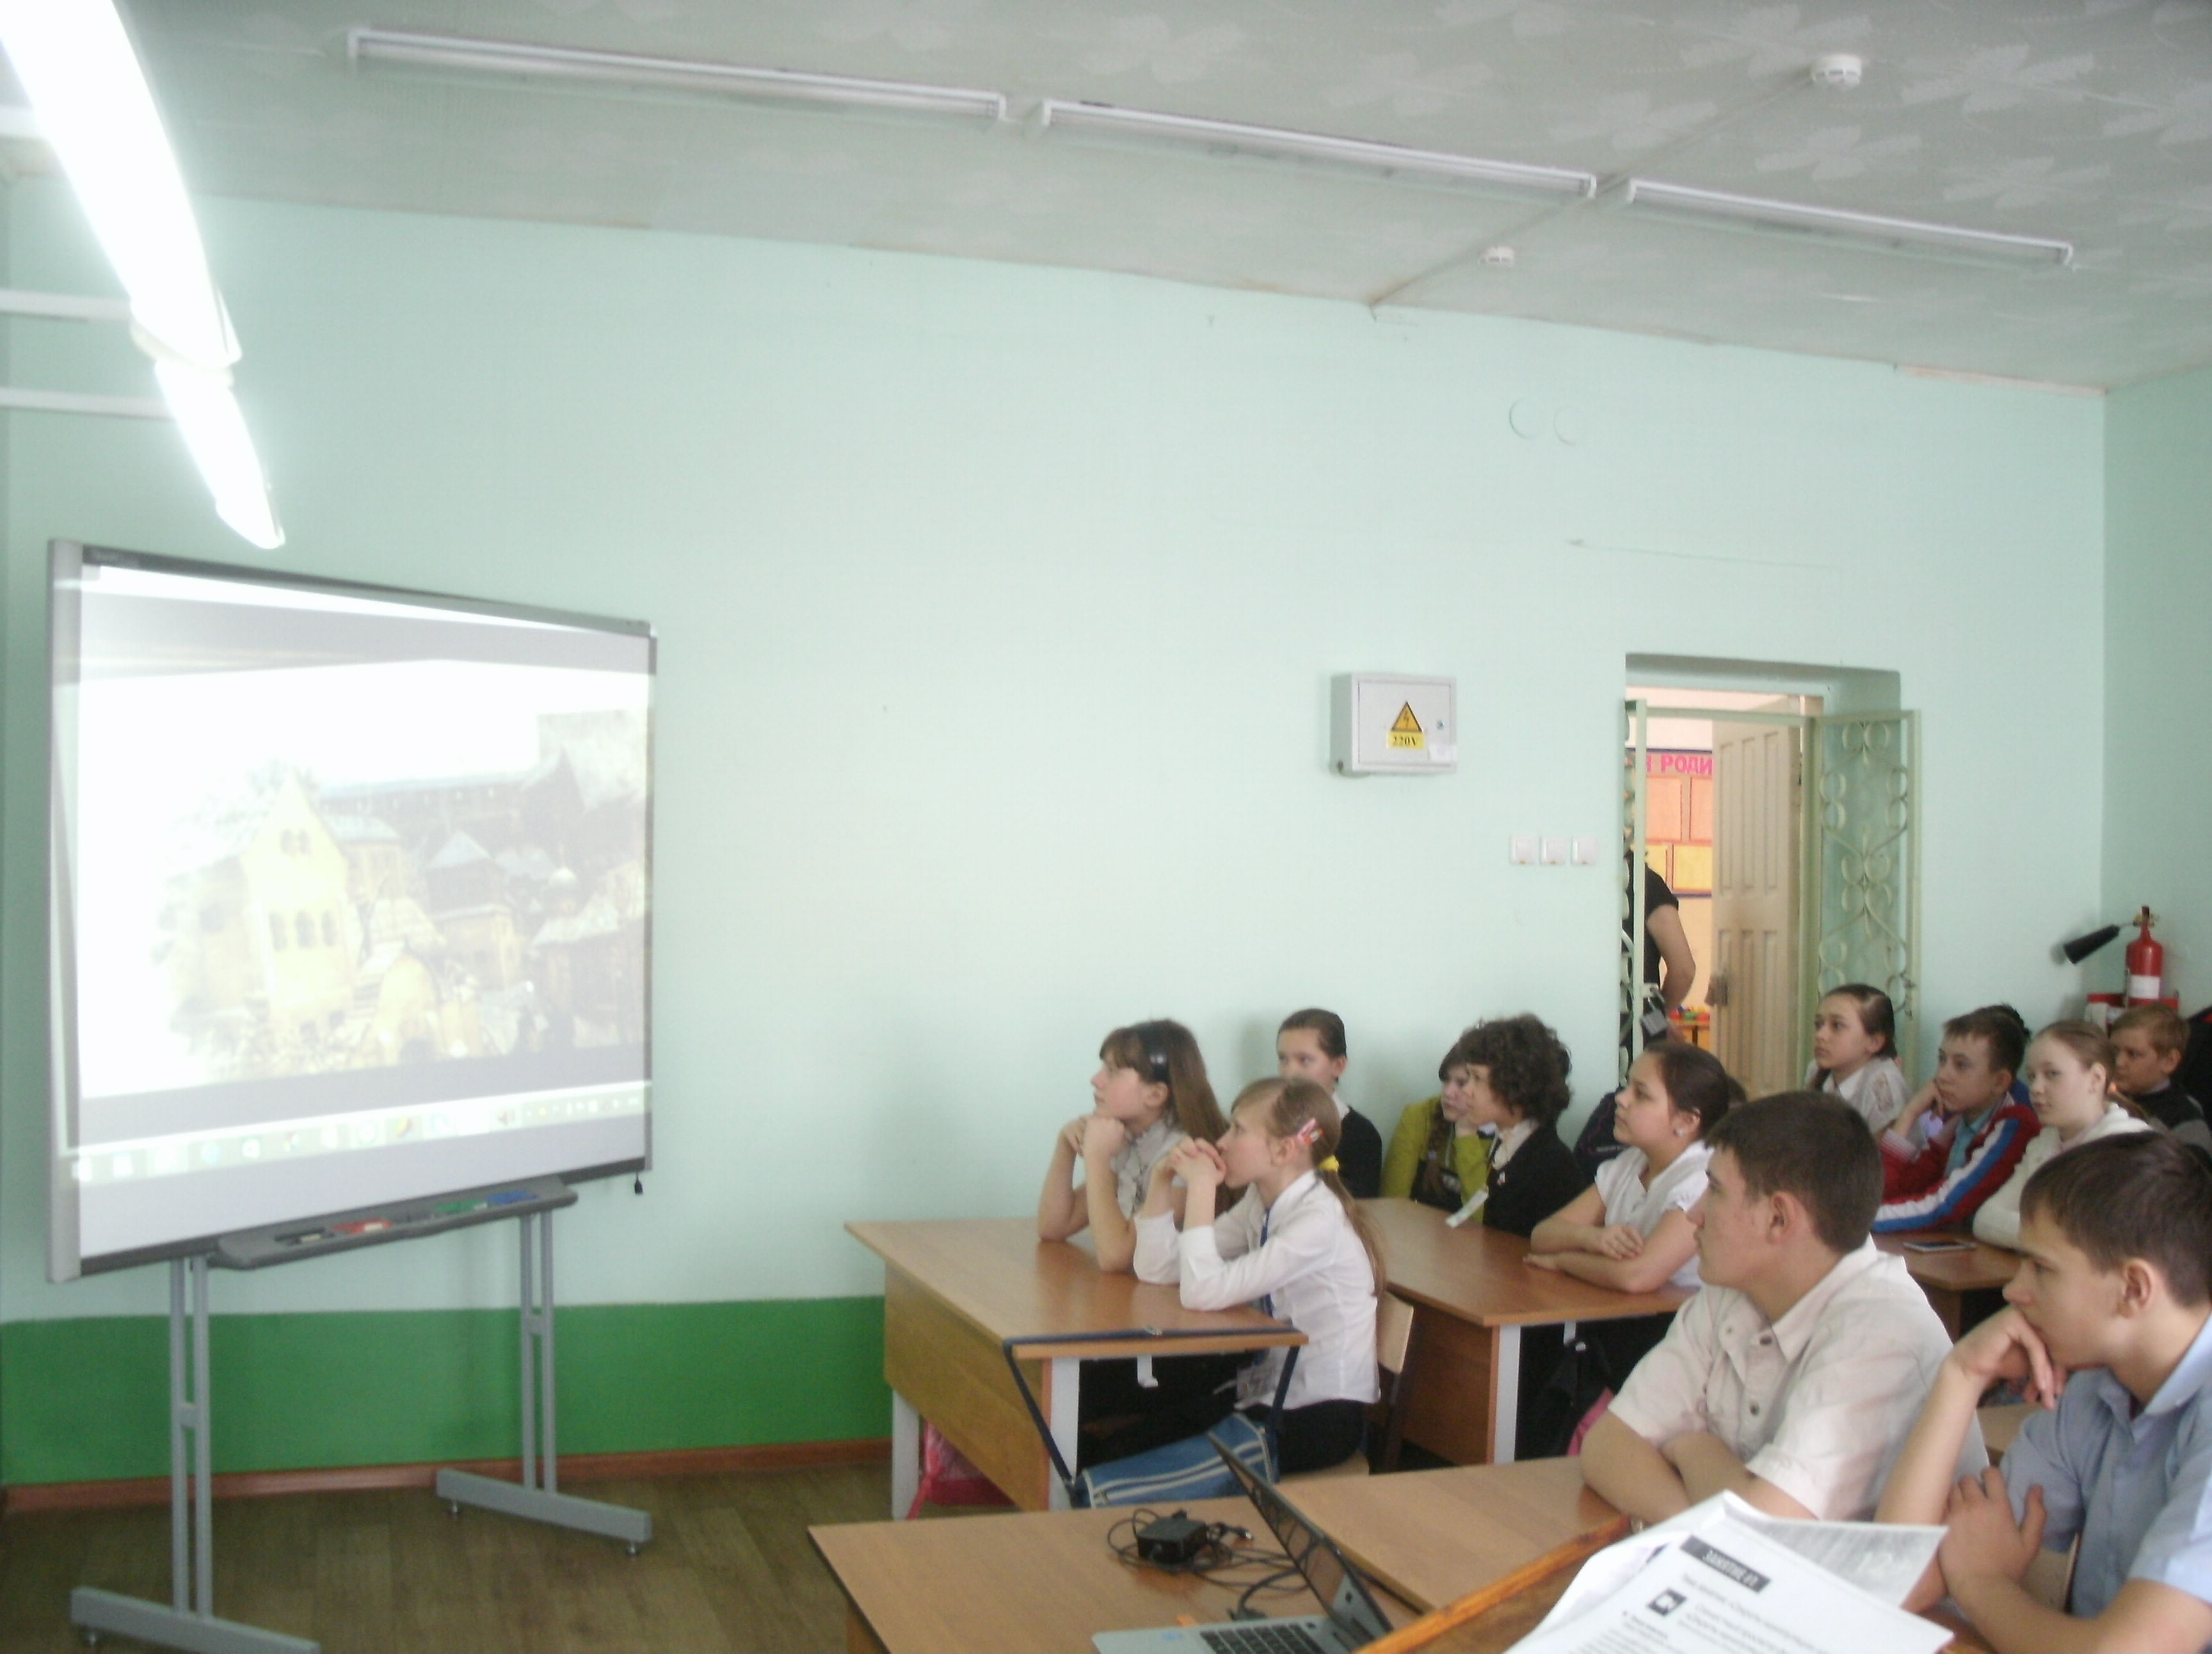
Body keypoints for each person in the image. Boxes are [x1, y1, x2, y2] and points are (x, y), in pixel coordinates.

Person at [1580, 1092, 1984, 1523]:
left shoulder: (1881, 1334)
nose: (1694, 1214)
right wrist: (1707, 1524)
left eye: (1713, 1190)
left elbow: (1768, 1526)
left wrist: (1690, 1445)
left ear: (1779, 1218)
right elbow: (1608, 1445)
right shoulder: (1734, 1289)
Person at [1876, 1135, 2212, 1652]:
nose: (2014, 1291)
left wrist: (1981, 1583)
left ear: (2134, 1289)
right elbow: (1895, 1583)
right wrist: (1962, 1375)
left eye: (2042, 1268)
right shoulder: (2099, 1389)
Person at [1134, 1077, 1384, 1475]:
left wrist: (1202, 1189)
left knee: (1150, 1460)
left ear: (1283, 1150)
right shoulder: (1261, 1201)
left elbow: (1201, 1291)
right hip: (1267, 1389)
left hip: (1317, 1415)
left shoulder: (1318, 1220)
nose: (1222, 1142)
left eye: (1238, 1130)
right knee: (1137, 1432)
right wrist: (1161, 1181)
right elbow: (1158, 1269)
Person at [1527, 1042, 1733, 1378]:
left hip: (1682, 1342)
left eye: (1642, 1094)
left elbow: (1637, 1276)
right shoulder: (1632, 1161)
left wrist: (1564, 1261)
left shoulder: (1702, 1176)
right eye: (1627, 1086)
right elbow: (1543, 1236)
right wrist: (1592, 1238)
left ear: (1686, 1120)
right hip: (1622, 1326)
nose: (1621, 1099)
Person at [1036, 1018, 1226, 1273]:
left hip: (1178, 1293)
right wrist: (1065, 1145)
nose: (1096, 1080)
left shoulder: (1187, 1154)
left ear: (1155, 1095)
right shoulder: (1128, 1135)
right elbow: (1054, 1227)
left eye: (1113, 1072)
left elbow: (1116, 1257)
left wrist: (1097, 1157)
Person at [1973, 1021, 2152, 1251]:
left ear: (2096, 1079)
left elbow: (2093, 1242)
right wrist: (2054, 1241)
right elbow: (1986, 1219)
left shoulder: (2128, 1146)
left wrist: (2040, 1237)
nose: (2036, 1088)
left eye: (2052, 1074)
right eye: (2032, 1076)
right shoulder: (2044, 1143)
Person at [1871, 1006, 2039, 1233]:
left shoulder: (2015, 1126)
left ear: (2000, 1082)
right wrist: (1909, 1114)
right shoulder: (1957, 1125)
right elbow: (1889, 1191)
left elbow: (1945, 1205)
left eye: (1961, 1065)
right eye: (1942, 1060)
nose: (1942, 1075)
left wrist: (1855, 1223)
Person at [1449, 1013, 1590, 1237]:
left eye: (1477, 1078)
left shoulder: (1552, 1166)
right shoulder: (1507, 1142)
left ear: (1514, 1085)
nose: (1467, 1090)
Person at [1276, 1009, 1382, 1198]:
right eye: (1283, 1059)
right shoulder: (1267, 1121)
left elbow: (1357, 1208)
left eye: (1304, 1060)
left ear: (1338, 1066)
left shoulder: (1361, 1136)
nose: (1289, 1072)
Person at [1380, 1045, 1495, 1213]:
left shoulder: (1506, 1138)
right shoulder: (1420, 1115)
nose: (1448, 1092)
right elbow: (1391, 1203)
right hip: (1411, 1226)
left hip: (1468, 1231)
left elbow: (1482, 1218)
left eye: (1462, 1083)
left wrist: (1466, 1135)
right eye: (1446, 1080)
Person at [2112, 1003, 2212, 1166]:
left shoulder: (2185, 1121)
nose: (2118, 1062)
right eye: (2115, 1051)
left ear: (2169, 1061)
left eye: (2133, 1054)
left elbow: (2190, 1177)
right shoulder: (2106, 1100)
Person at [1805, 983, 1910, 1136]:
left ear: (1874, 1042)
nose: (1820, 1035)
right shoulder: (1816, 1069)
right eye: (1819, 1024)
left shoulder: (1882, 1083)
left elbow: (1881, 1150)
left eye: (1837, 1026)